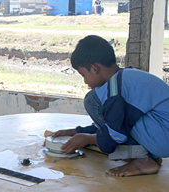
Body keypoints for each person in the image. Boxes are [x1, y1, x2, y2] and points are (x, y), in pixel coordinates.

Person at [52, 35, 169, 177]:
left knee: (92, 99)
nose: (84, 81)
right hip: (161, 135)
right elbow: (113, 121)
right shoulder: (123, 78)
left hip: (163, 137)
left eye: (83, 74)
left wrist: (87, 139)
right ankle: (149, 156)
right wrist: (77, 131)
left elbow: (116, 132)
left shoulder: (116, 89)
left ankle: (142, 160)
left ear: (94, 69)